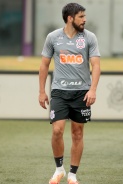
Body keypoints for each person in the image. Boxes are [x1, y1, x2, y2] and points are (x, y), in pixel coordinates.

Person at [38, 2, 101, 184]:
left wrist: (93, 89)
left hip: (82, 92)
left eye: (85, 16)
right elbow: (44, 65)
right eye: (81, 17)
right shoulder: (53, 37)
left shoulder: (89, 38)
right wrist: (42, 91)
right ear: (70, 18)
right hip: (59, 91)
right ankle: (59, 169)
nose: (85, 20)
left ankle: (73, 175)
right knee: (57, 130)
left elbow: (96, 65)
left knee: (77, 133)